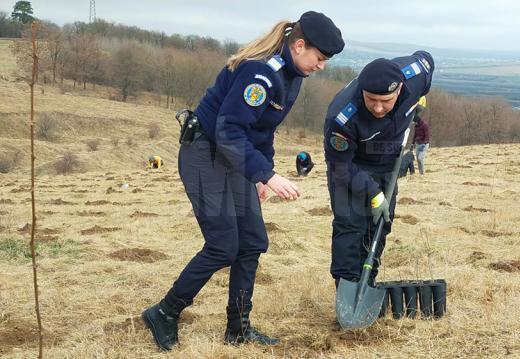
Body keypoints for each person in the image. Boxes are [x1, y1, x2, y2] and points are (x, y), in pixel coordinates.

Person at [142, 11, 344, 351]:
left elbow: (262, 130)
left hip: (234, 157)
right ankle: (164, 312)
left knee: (251, 242)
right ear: (299, 46)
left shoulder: (292, 74)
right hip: (204, 154)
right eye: (320, 58)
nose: (321, 66)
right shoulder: (262, 71)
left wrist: (260, 174)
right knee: (223, 245)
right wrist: (268, 174)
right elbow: (229, 129)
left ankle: (238, 328)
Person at [323, 52, 435, 288]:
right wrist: (373, 194)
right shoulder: (341, 117)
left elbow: (427, 60)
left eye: (386, 100)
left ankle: (368, 282)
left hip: (387, 164)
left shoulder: (416, 75)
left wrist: (419, 100)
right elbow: (340, 167)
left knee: (380, 226)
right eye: (371, 99)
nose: (378, 107)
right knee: (350, 227)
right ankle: (347, 286)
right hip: (352, 165)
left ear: (400, 88)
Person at [412, 104, 430, 175]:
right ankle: (420, 174)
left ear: (417, 121)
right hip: (418, 144)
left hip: (424, 145)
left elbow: (427, 135)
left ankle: (422, 174)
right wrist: (412, 143)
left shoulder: (425, 125)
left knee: (420, 158)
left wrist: (424, 143)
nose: (414, 123)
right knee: (418, 160)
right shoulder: (416, 126)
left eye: (414, 122)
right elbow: (415, 135)